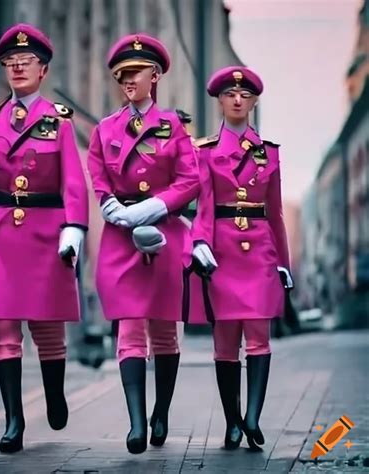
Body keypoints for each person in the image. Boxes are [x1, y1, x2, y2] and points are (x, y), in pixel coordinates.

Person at [0, 23, 88, 453]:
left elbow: (74, 181)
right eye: (10, 63)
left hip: (46, 230)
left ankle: (54, 395)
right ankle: (13, 421)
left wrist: (75, 227)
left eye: (25, 61)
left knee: (47, 327)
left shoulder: (59, 122)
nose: (16, 67)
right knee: (4, 329)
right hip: (0, 229)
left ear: (43, 69)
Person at [87, 33, 199, 454]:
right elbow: (97, 172)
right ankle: (136, 421)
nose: (127, 80)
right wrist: (111, 206)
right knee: (129, 328)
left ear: (155, 75)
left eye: (135, 73)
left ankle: (161, 413)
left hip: (164, 231)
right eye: (121, 75)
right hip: (121, 238)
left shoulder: (173, 127)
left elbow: (190, 180)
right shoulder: (104, 129)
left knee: (165, 331)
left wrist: (154, 207)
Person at [190, 66, 293, 451]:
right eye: (230, 95)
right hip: (222, 254)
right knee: (224, 343)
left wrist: (284, 264)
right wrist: (198, 244)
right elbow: (202, 207)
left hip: (260, 254)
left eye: (245, 95)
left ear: (253, 101)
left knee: (259, 339)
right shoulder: (205, 152)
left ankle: (252, 417)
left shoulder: (270, 154)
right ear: (219, 101)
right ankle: (232, 422)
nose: (237, 100)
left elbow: (276, 213)